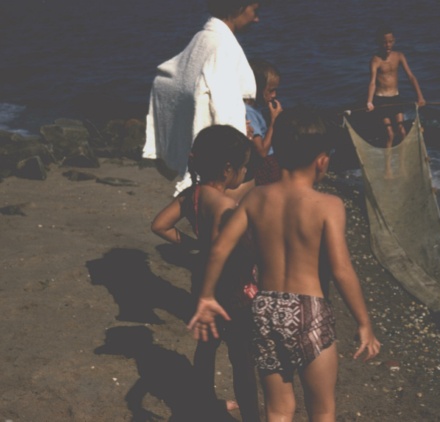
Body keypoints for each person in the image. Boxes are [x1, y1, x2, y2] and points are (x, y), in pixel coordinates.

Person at [188, 106, 381, 421]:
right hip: (309, 311)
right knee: (322, 410)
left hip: (265, 310)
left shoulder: (256, 198)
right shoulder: (329, 206)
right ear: (322, 161)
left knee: (278, 410)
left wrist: (207, 295)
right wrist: (364, 323)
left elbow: (220, 248)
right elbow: (341, 270)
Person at [151, 125, 260, 421]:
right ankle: (252, 416)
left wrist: (193, 245)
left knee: (207, 346)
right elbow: (228, 251)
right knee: (242, 359)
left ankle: (204, 405)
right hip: (232, 290)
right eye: (243, 166)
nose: (245, 171)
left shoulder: (193, 195)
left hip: (202, 283)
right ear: (227, 169)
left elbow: (159, 225)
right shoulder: (226, 206)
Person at [143, 0, 261, 197]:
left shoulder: (203, 39)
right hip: (222, 159)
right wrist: (238, 137)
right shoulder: (220, 45)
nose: (256, 19)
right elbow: (224, 103)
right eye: (254, 11)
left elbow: (167, 81)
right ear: (239, 8)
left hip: (205, 147)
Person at [366, 25, 426, 178]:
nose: (388, 45)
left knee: (402, 132)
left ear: (394, 41)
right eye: (384, 42)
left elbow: (411, 77)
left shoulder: (399, 56)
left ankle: (402, 166)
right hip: (381, 100)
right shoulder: (375, 60)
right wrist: (369, 102)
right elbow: (372, 82)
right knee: (390, 135)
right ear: (378, 42)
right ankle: (388, 169)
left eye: (390, 41)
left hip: (396, 98)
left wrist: (420, 96)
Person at [244, 58, 284, 186]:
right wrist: (274, 121)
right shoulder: (249, 112)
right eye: (270, 91)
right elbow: (261, 151)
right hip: (266, 164)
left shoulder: (254, 109)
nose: (274, 95)